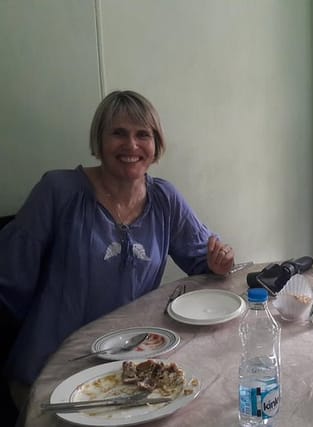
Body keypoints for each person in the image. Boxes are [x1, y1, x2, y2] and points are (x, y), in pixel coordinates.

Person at [0, 90, 235, 411]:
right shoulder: (57, 191)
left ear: (156, 145)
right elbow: (9, 278)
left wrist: (218, 264)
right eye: (118, 133)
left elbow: (203, 262)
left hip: (128, 366)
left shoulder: (165, 198)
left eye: (143, 135)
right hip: (51, 366)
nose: (131, 146)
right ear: (99, 140)